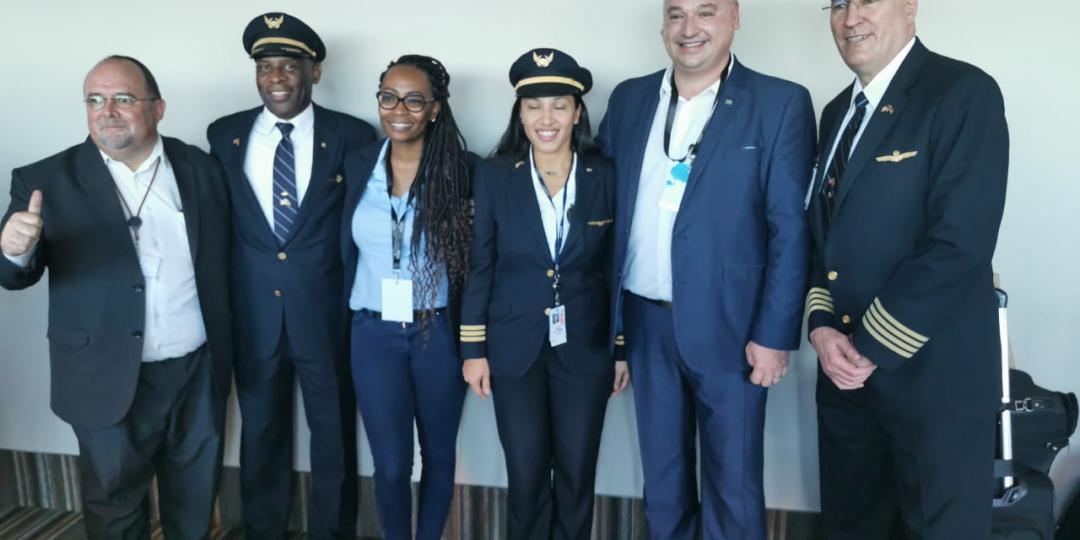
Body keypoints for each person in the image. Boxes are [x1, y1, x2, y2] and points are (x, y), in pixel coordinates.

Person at [597, 0, 815, 537]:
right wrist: (615, 333)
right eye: (676, 14)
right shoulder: (629, 99)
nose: (688, 28)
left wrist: (775, 333)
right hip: (646, 326)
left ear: (735, 17)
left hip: (734, 328)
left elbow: (790, 229)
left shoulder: (780, 102)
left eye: (706, 12)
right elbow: (603, 215)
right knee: (663, 483)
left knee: (733, 487)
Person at [0, 55, 232, 539]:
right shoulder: (44, 181)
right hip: (102, 375)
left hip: (196, 373)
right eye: (95, 99)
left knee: (192, 502)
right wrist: (13, 250)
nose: (107, 110)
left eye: (123, 99)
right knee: (114, 507)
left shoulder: (201, 169)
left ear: (158, 108)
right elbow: (13, 276)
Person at [807, 0, 1009, 538]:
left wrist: (868, 348)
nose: (850, 19)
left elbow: (960, 242)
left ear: (911, 7)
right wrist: (822, 329)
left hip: (932, 382)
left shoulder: (962, 93)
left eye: (867, 1)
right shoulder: (835, 114)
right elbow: (820, 242)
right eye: (838, 5)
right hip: (845, 381)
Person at [206, 12, 375, 539]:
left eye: (289, 65)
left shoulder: (351, 134)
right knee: (261, 435)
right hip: (255, 315)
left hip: (326, 316)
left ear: (315, 72)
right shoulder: (225, 134)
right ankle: (264, 530)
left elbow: (360, 228)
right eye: (265, 66)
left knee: (333, 438)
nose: (276, 77)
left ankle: (332, 532)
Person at [460, 48, 630, 540]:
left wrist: (620, 348)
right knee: (527, 473)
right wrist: (473, 349)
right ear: (519, 113)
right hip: (513, 347)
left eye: (559, 104)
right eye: (533, 106)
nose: (546, 118)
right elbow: (481, 266)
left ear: (578, 112)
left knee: (577, 472)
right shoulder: (495, 176)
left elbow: (614, 268)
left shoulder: (606, 177)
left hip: (586, 347)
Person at [340, 54, 473, 540]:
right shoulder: (357, 165)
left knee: (438, 454)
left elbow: (478, 263)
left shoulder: (462, 172)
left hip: (435, 331)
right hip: (372, 333)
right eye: (389, 97)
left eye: (415, 99)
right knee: (391, 464)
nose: (400, 109)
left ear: (435, 109)